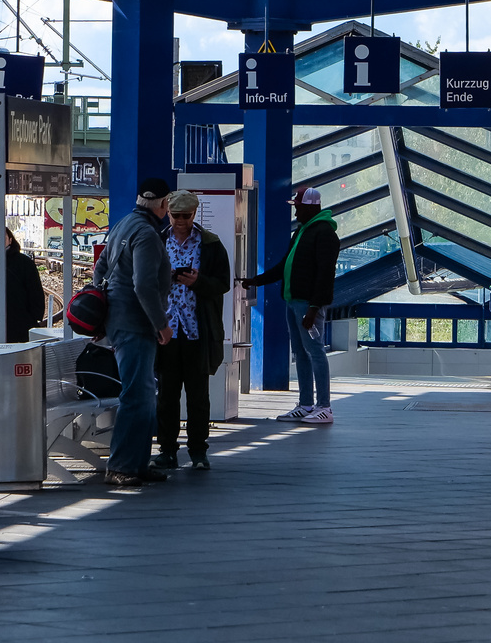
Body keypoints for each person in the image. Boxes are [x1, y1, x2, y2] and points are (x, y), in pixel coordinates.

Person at [238, 187, 338, 425]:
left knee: (315, 351)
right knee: (301, 353)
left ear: (311, 207)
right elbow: (285, 265)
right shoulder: (302, 231)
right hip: (293, 301)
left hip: (307, 305)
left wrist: (314, 308)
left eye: (298, 206)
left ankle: (324, 406)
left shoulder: (324, 234)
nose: (296, 212)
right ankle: (306, 404)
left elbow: (325, 274)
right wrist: (257, 281)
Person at [98, 177, 174, 487]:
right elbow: (143, 284)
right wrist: (161, 324)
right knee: (136, 395)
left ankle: (138, 463)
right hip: (135, 325)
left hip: (121, 320)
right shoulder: (146, 234)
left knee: (143, 395)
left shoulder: (123, 224)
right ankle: (121, 466)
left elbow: (100, 267)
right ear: (164, 205)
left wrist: (106, 311)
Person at [150, 191, 231, 472]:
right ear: (168, 214)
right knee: (167, 396)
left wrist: (198, 282)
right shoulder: (158, 240)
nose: (181, 222)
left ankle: (198, 451)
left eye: (187, 216)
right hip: (167, 331)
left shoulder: (210, 244)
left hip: (198, 331)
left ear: (195, 214)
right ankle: (167, 450)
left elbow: (223, 283)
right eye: (176, 216)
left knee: (198, 396)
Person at [0, 228, 47, 344]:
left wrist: (31, 320)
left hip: (19, 330)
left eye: (4, 237)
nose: (0, 240)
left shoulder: (24, 263)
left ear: (10, 240)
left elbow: (36, 293)